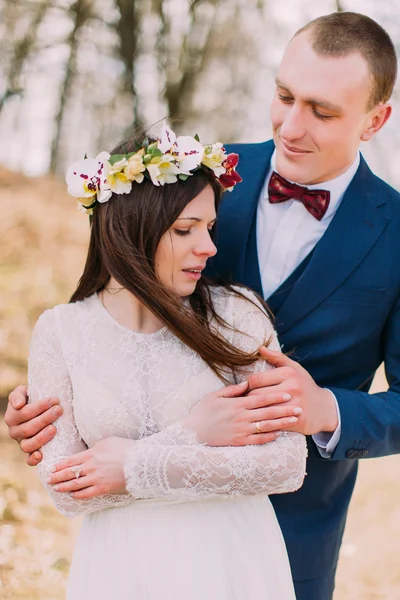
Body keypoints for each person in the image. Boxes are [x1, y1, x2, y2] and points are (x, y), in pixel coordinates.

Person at [5, 10, 400, 600]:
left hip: (297, 528)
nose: (291, 126)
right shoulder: (195, 177)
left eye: (321, 111)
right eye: (285, 96)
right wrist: (46, 405)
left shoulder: (395, 233)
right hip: (141, 533)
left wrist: (327, 411)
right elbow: (118, 303)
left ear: (376, 119)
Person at [23, 126, 307, 599]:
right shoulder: (60, 332)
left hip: (231, 561)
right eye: (184, 229)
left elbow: (284, 463)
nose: (209, 247)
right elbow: (64, 490)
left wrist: (133, 464)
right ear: (131, 227)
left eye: (210, 227)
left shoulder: (238, 315)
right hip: (120, 570)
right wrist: (193, 436)